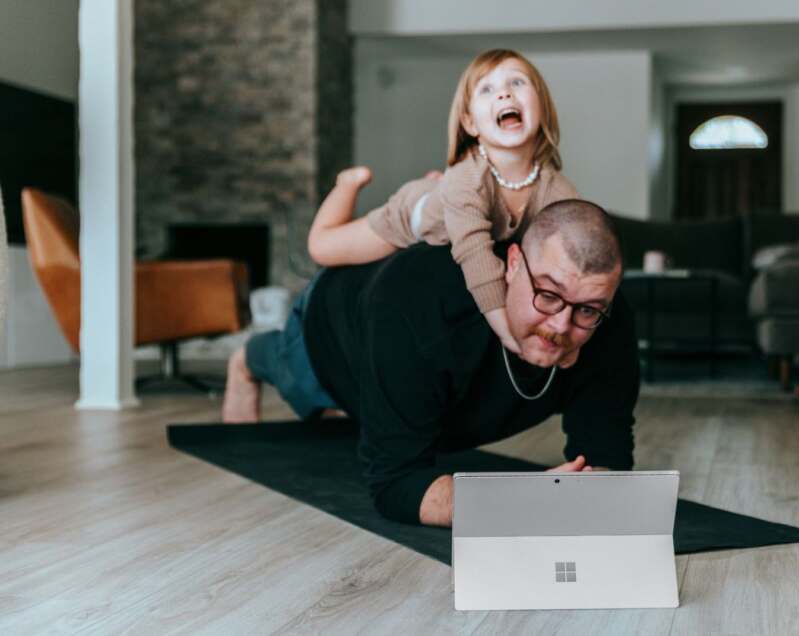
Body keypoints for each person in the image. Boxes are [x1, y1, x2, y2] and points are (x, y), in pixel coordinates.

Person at [222, 199, 639, 527]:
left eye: (587, 310)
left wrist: (587, 489)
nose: (561, 326)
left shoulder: (607, 321)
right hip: (334, 330)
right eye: (547, 295)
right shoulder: (416, 313)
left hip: (428, 378)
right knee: (296, 378)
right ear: (512, 265)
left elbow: (606, 458)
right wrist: (520, 501)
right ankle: (249, 358)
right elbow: (395, 485)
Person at [306, 49, 578, 355]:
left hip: (450, 196)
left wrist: (570, 339)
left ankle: (437, 187)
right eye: (487, 89)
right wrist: (509, 335)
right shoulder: (468, 180)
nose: (503, 94)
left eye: (517, 83)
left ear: (541, 106)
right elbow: (476, 257)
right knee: (322, 248)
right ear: (470, 123)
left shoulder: (557, 189)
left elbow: (577, 253)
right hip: (411, 216)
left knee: (451, 194)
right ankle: (348, 183)